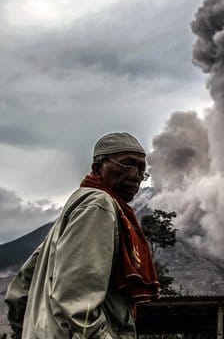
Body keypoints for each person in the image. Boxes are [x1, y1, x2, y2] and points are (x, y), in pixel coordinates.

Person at [5, 132, 159, 338]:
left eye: (141, 170)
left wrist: (27, 331)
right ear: (98, 168)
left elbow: (21, 290)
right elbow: (77, 301)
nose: (136, 176)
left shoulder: (73, 212)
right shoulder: (99, 205)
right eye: (127, 164)